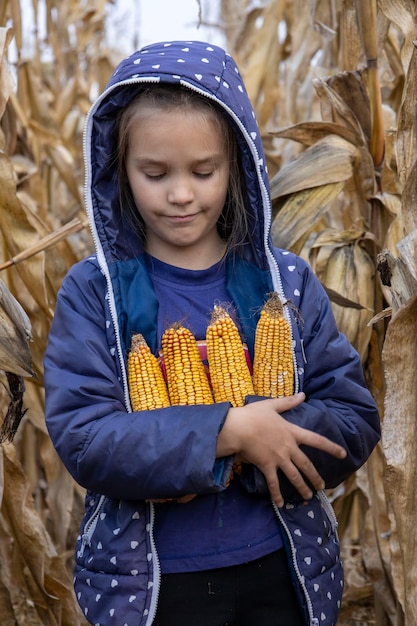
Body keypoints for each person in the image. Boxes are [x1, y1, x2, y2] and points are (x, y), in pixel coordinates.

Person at [44, 40, 380, 626]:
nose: (180, 194)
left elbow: (352, 417)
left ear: (239, 169)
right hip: (154, 585)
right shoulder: (93, 293)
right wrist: (224, 433)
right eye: (155, 173)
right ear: (119, 173)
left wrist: (267, 440)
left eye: (204, 172)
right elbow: (87, 438)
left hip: (283, 569)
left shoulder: (289, 284)